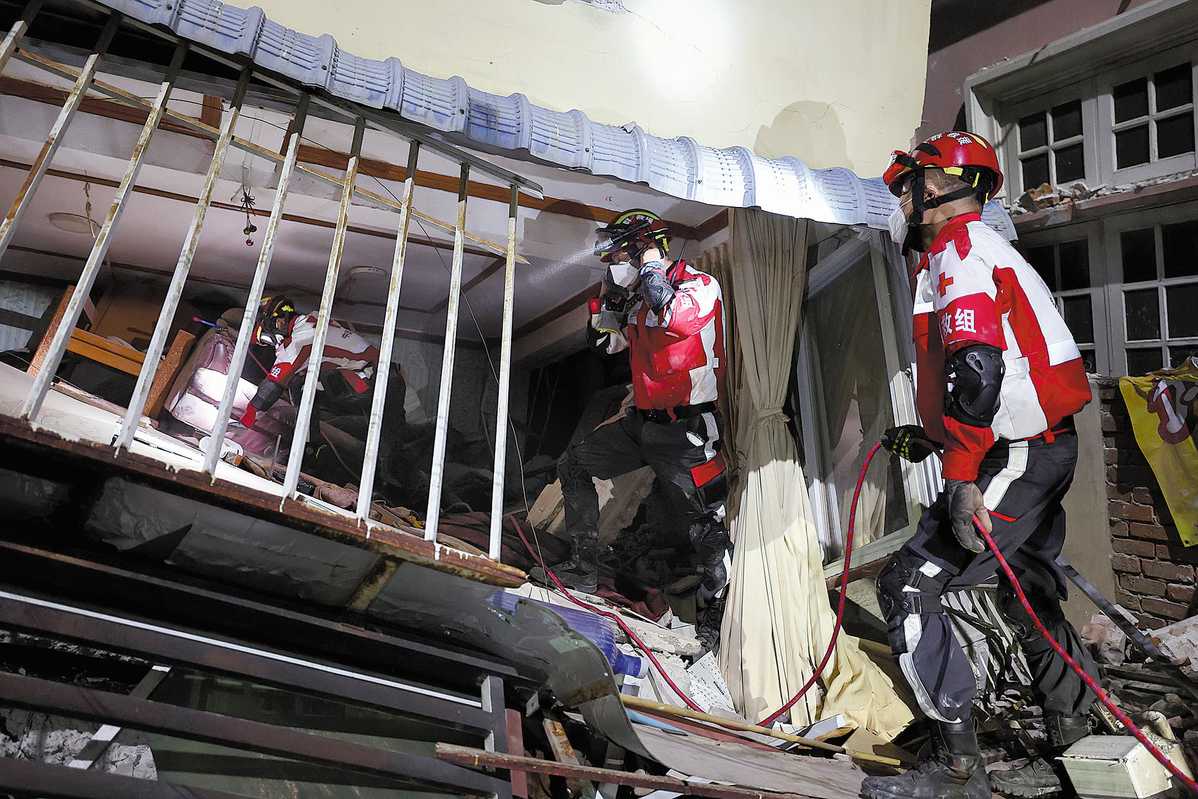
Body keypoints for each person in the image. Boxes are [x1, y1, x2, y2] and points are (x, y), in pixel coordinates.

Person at [861, 132, 1099, 799]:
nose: (900, 202)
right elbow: (994, 368)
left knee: (908, 583)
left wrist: (962, 473)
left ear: (935, 186)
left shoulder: (957, 251)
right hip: (1038, 443)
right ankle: (1074, 737)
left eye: (906, 187)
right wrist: (936, 437)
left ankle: (957, 769)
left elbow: (978, 368)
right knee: (1028, 588)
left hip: (1016, 452)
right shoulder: (982, 248)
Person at [534, 210, 731, 618]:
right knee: (574, 464)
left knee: (705, 524)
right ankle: (584, 567)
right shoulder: (641, 300)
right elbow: (607, 346)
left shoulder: (698, 285)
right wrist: (605, 301)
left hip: (687, 430)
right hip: (642, 424)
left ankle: (715, 616)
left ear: (645, 249)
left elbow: (674, 317)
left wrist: (651, 265)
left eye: (620, 254)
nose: (613, 263)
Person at [240, 296, 405, 484]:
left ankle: (311, 449)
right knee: (390, 440)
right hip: (378, 377)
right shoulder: (313, 319)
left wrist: (248, 417)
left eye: (267, 328)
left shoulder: (301, 341)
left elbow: (273, 385)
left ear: (279, 321)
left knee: (298, 382)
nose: (267, 337)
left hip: (373, 383)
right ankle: (313, 448)